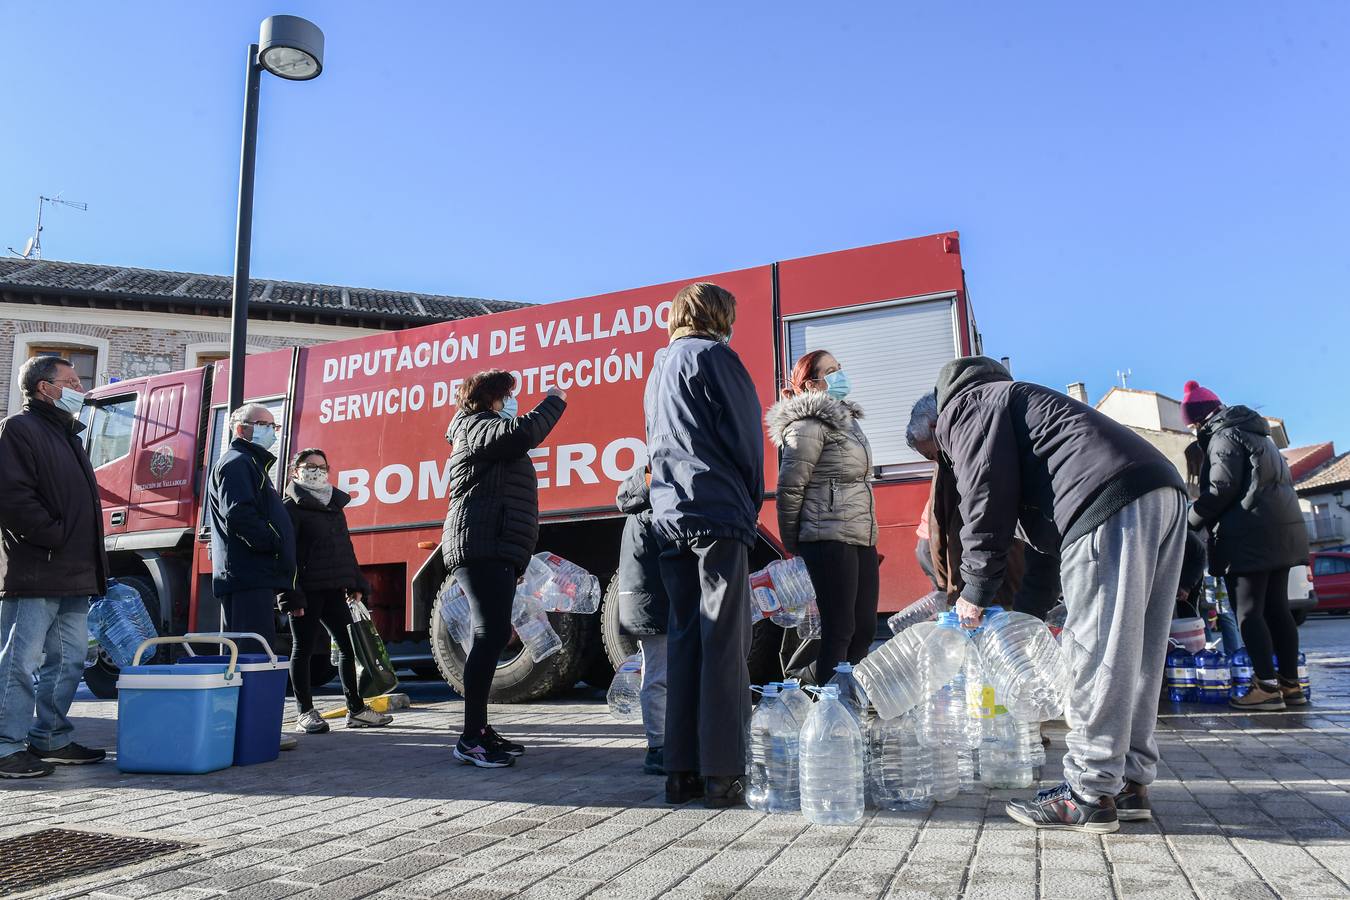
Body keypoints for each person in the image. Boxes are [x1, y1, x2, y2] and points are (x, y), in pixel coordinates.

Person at [935, 357, 1186, 834]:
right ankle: (1129, 783)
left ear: (939, 412)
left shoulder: (969, 407)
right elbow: (1048, 548)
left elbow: (985, 500)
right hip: (1160, 491)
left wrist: (976, 591)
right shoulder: (1027, 408)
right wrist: (1023, 617)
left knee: (1096, 650)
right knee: (1139, 649)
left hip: (1109, 502)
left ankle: (1089, 793)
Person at [644, 282, 764, 808]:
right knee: (724, 645)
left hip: (669, 514)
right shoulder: (717, 357)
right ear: (720, 316)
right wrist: (750, 500)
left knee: (686, 641)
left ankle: (680, 771)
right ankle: (723, 772)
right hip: (718, 511)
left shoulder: (659, 367)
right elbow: (745, 440)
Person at [443, 372, 566, 768]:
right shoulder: (475, 425)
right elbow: (521, 435)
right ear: (491, 399)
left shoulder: (482, 429)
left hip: (494, 547)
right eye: (509, 396)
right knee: (489, 634)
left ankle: (479, 730)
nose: (513, 402)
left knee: (493, 635)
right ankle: (470, 738)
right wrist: (554, 401)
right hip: (481, 545)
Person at [0, 356, 109, 778]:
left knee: (69, 660)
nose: (79, 386)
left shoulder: (69, 436)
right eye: (71, 380)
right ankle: (6, 745)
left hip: (75, 571)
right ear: (45, 388)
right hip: (36, 569)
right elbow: (12, 498)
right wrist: (53, 535)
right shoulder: (19, 429)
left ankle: (52, 738)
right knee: (19, 661)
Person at [1181, 380, 1309, 711]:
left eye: (1193, 424)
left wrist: (1186, 523)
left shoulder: (1223, 438)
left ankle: (1265, 687)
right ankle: (1290, 685)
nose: (1193, 430)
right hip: (1281, 534)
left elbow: (1220, 489)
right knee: (1277, 610)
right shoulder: (1257, 435)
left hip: (1249, 537)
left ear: (1201, 419)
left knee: (1249, 613)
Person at [766, 350, 878, 683]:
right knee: (840, 629)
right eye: (831, 370)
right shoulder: (807, 425)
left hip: (859, 533)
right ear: (812, 382)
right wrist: (791, 543)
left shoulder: (847, 420)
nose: (840, 375)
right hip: (826, 534)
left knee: (865, 628)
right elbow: (789, 487)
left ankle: (825, 693)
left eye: (839, 368)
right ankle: (827, 706)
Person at [281, 448, 394, 734]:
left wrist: (356, 583)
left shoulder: (334, 504)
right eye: (309, 466)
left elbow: (344, 549)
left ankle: (356, 710)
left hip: (333, 589)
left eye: (321, 466)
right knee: (303, 650)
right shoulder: (290, 507)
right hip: (306, 592)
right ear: (296, 471)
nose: (315, 471)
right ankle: (304, 712)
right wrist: (291, 595)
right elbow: (285, 555)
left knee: (348, 647)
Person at [905, 391, 1030, 612]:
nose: (936, 460)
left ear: (935, 427)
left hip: (987, 578)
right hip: (992, 576)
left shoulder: (960, 456)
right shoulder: (969, 445)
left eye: (931, 454)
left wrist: (956, 589)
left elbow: (959, 525)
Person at [206, 404, 297, 656]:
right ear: (240, 429)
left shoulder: (250, 463)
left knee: (247, 652)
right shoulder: (238, 463)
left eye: (273, 426)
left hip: (250, 573)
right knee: (250, 653)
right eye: (263, 425)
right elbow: (239, 514)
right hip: (247, 574)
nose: (271, 431)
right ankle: (248, 697)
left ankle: (248, 696)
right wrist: (273, 541)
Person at [615, 465, 669, 776]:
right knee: (659, 675)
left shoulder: (639, 503)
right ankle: (658, 747)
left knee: (658, 672)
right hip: (654, 602)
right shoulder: (654, 510)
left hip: (646, 602)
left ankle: (661, 743)